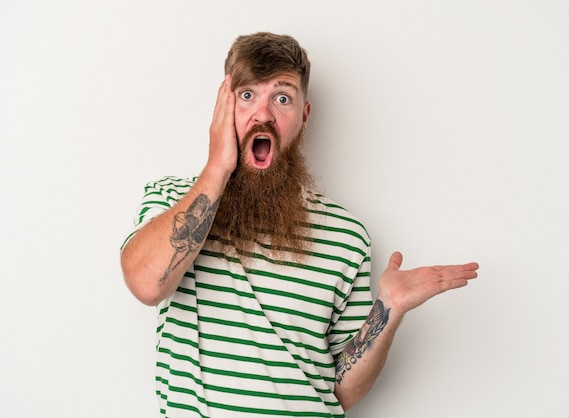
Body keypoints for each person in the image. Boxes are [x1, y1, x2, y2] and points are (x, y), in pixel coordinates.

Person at [120, 32, 479, 418]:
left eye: (282, 97)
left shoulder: (347, 236)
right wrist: (217, 167)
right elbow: (145, 283)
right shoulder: (173, 202)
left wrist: (387, 312)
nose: (263, 114)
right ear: (222, 107)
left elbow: (341, 392)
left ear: (304, 117)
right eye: (247, 96)